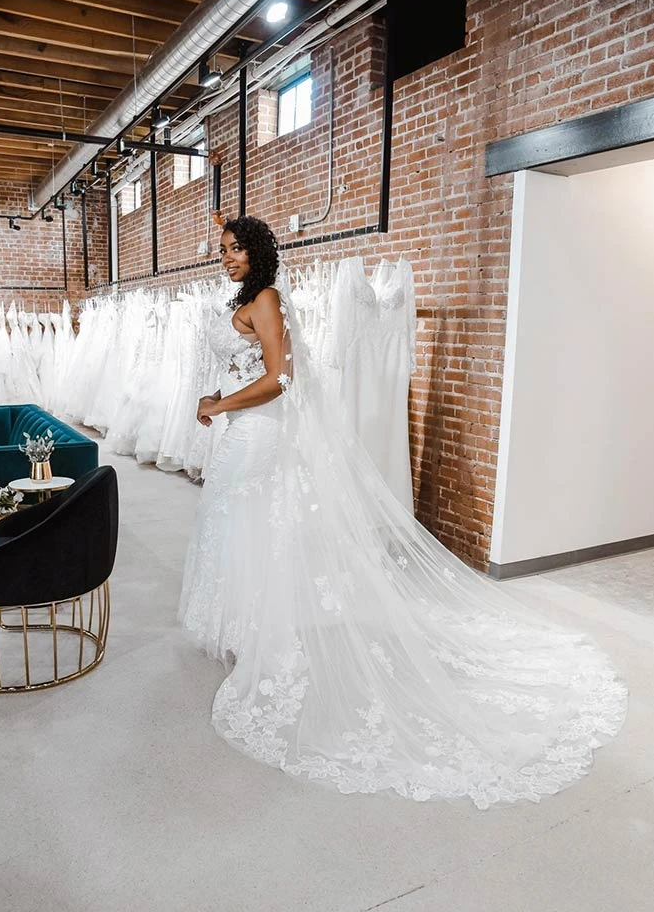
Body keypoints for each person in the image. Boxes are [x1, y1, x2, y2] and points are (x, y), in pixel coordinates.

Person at [180, 215, 627, 809]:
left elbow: (281, 379)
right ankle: (248, 625)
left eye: (236, 249)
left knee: (251, 523)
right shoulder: (246, 297)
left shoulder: (265, 299)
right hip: (244, 428)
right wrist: (224, 404)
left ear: (258, 252)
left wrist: (218, 404)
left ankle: (267, 633)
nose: (228, 257)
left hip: (257, 430)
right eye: (224, 250)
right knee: (240, 525)